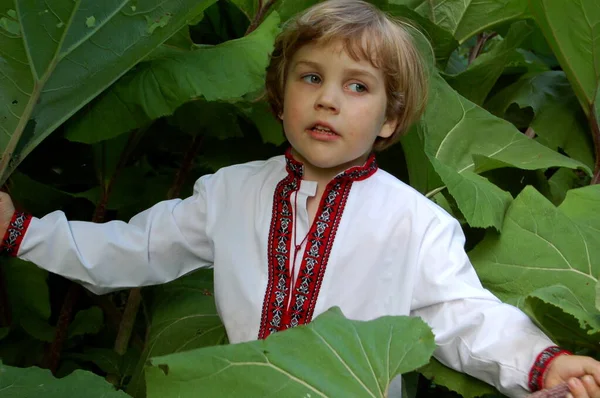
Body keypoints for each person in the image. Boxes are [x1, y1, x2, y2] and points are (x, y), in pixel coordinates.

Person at [1, 1, 599, 397]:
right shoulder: (230, 192)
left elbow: (464, 317)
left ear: (391, 118)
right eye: (310, 77)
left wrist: (542, 362)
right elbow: (136, 247)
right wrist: (20, 230)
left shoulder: (416, 223)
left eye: (357, 86)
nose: (328, 100)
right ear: (279, 96)